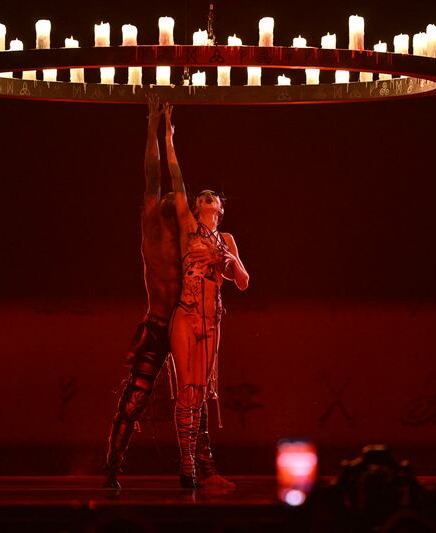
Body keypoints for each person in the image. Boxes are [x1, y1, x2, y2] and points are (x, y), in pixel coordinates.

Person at [164, 104, 249, 488]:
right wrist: (168, 139)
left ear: (221, 209)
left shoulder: (226, 240)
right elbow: (177, 181)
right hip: (186, 313)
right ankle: (187, 465)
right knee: (186, 389)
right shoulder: (188, 228)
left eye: (213, 198)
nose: (207, 200)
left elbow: (244, 282)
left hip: (211, 319)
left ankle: (196, 468)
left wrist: (230, 260)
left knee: (200, 392)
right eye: (203, 198)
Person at [103, 95, 180, 489]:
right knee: (134, 399)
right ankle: (113, 464)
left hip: (181, 324)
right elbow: (153, 175)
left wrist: (169, 138)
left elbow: (174, 183)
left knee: (195, 400)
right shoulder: (152, 227)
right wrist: (155, 127)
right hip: (156, 324)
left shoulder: (187, 236)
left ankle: (197, 469)